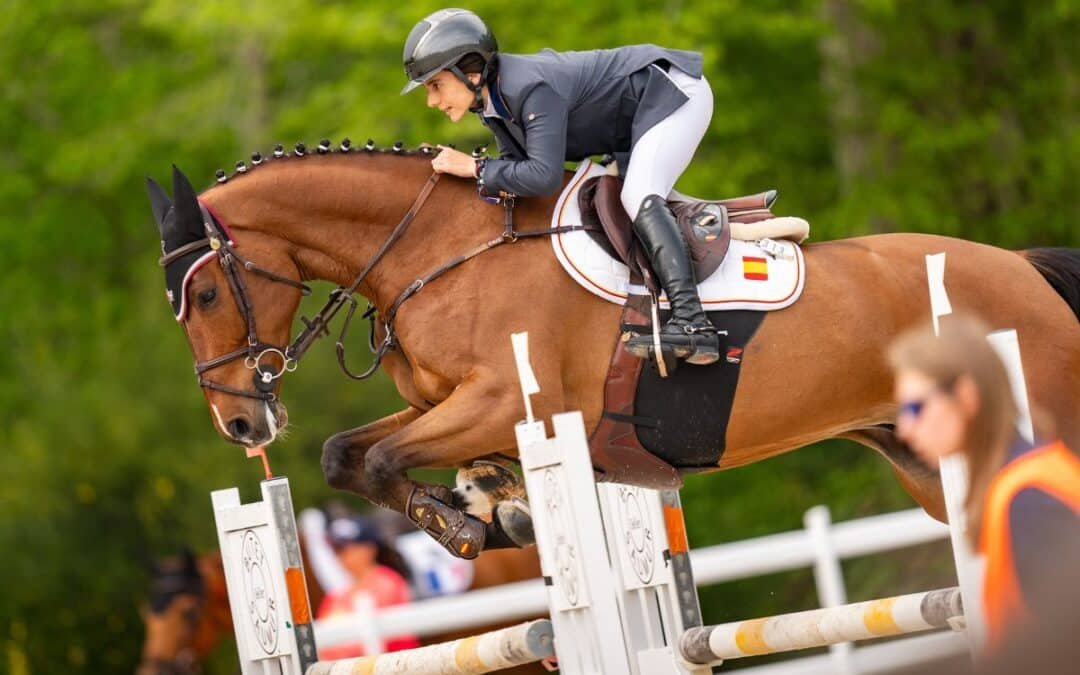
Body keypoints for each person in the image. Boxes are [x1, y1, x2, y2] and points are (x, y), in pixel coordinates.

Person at [402, 8, 720, 365]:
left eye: (435, 85)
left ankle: (694, 325)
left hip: (673, 93)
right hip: (636, 119)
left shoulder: (528, 88)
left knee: (638, 195)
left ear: (470, 72)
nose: (432, 100)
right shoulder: (493, 104)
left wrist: (475, 167)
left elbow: (543, 176)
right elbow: (516, 176)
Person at [887, 315, 1080, 652]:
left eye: (916, 407)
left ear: (966, 396)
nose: (904, 428)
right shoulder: (1022, 485)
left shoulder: (1031, 499)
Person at [315, 515, 421, 660]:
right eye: (336, 549)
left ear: (369, 548)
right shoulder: (335, 596)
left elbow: (391, 639)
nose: (341, 556)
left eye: (346, 547)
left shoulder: (389, 583)